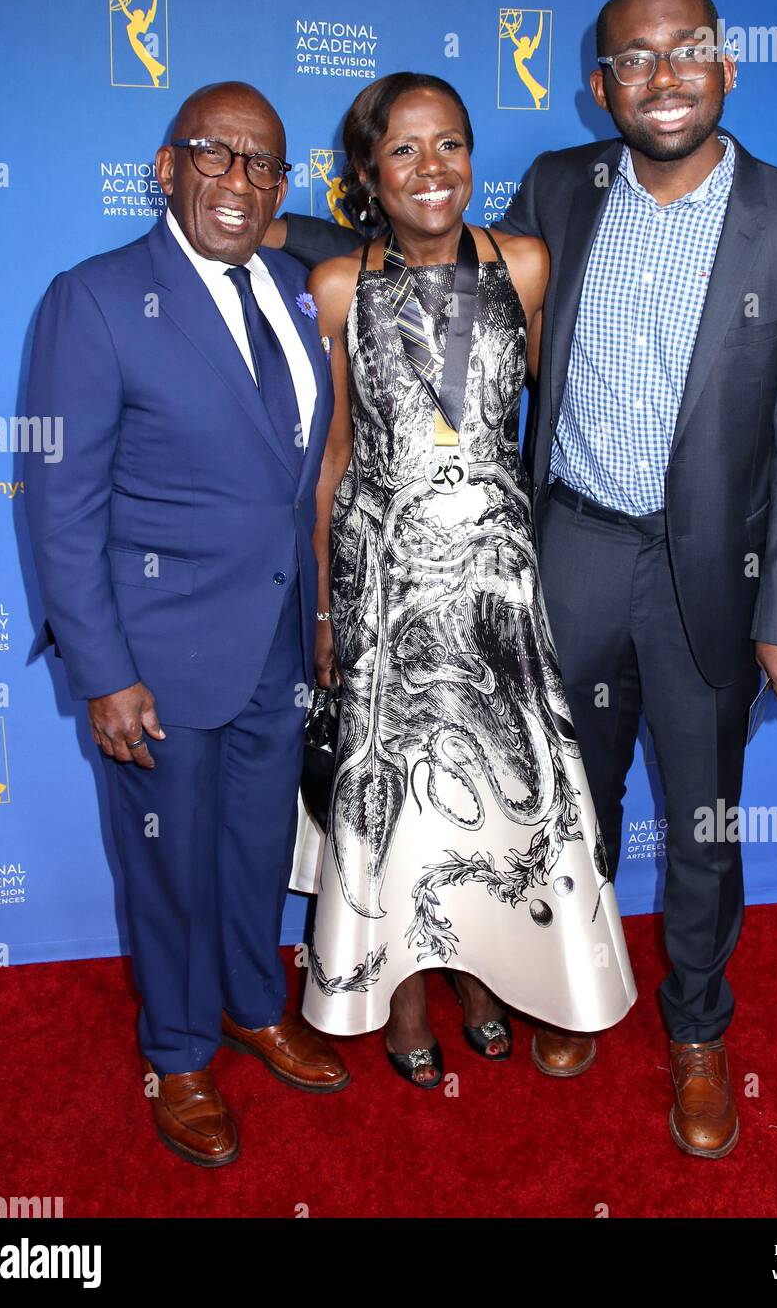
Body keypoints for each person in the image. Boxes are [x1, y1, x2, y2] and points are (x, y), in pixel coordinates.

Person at [280, 0, 777, 1156]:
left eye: (683, 52)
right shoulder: (562, 192)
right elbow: (429, 270)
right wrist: (263, 244)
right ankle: (566, 987)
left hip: (711, 573)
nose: (660, 78)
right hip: (565, 553)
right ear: (600, 86)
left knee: (701, 822)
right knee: (559, 805)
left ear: (723, 65)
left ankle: (696, 1032)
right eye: (633, 61)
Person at [25, 81, 348, 1167]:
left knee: (258, 848)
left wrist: (319, 618)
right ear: (166, 168)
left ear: (282, 188)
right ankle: (176, 1050)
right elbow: (61, 503)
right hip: (155, 660)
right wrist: (103, 670)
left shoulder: (304, 290)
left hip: (275, 643)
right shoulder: (98, 297)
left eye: (263, 164)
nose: (239, 181)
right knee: (166, 865)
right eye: (215, 154)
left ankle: (254, 1005)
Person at [294, 72, 637, 1088]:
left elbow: (546, 412)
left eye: (448, 143)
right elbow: (333, 458)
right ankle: (400, 989)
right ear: (365, 172)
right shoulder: (337, 288)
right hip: (384, 582)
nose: (429, 168)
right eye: (402, 150)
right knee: (401, 794)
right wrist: (325, 604)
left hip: (495, 582)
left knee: (493, 798)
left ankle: (481, 976)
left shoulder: (523, 264)